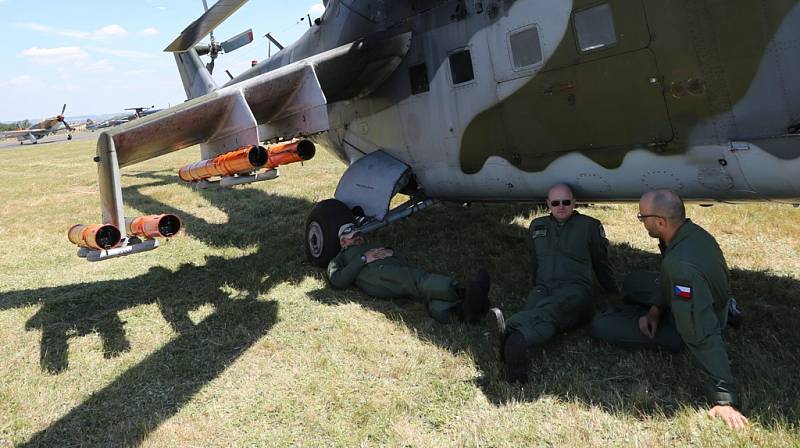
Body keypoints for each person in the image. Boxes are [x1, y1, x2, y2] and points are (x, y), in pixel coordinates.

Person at [590, 189, 748, 429]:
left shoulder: (681, 268)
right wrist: (655, 309)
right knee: (632, 283)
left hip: (693, 321)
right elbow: (667, 278)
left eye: (643, 217)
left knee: (601, 323)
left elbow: (700, 331)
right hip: (710, 300)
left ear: (660, 222)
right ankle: (725, 311)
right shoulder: (690, 234)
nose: (641, 221)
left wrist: (724, 398)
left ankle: (715, 320)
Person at [486, 183, 618, 382]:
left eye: (566, 202)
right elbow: (535, 261)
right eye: (555, 203)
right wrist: (536, 286)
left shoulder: (590, 226)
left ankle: (511, 333)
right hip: (544, 287)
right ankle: (514, 345)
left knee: (550, 311)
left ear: (574, 203)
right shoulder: (537, 226)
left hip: (576, 290)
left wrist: (612, 290)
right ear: (548, 204)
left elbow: (601, 262)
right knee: (538, 308)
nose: (561, 206)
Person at [327, 223, 491, 323]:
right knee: (417, 280)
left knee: (420, 287)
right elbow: (337, 280)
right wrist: (363, 258)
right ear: (343, 241)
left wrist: (390, 252)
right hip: (377, 275)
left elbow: (390, 254)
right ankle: (462, 291)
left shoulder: (371, 244)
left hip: (393, 270)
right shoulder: (340, 258)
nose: (359, 238)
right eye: (353, 237)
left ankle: (461, 311)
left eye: (359, 235)